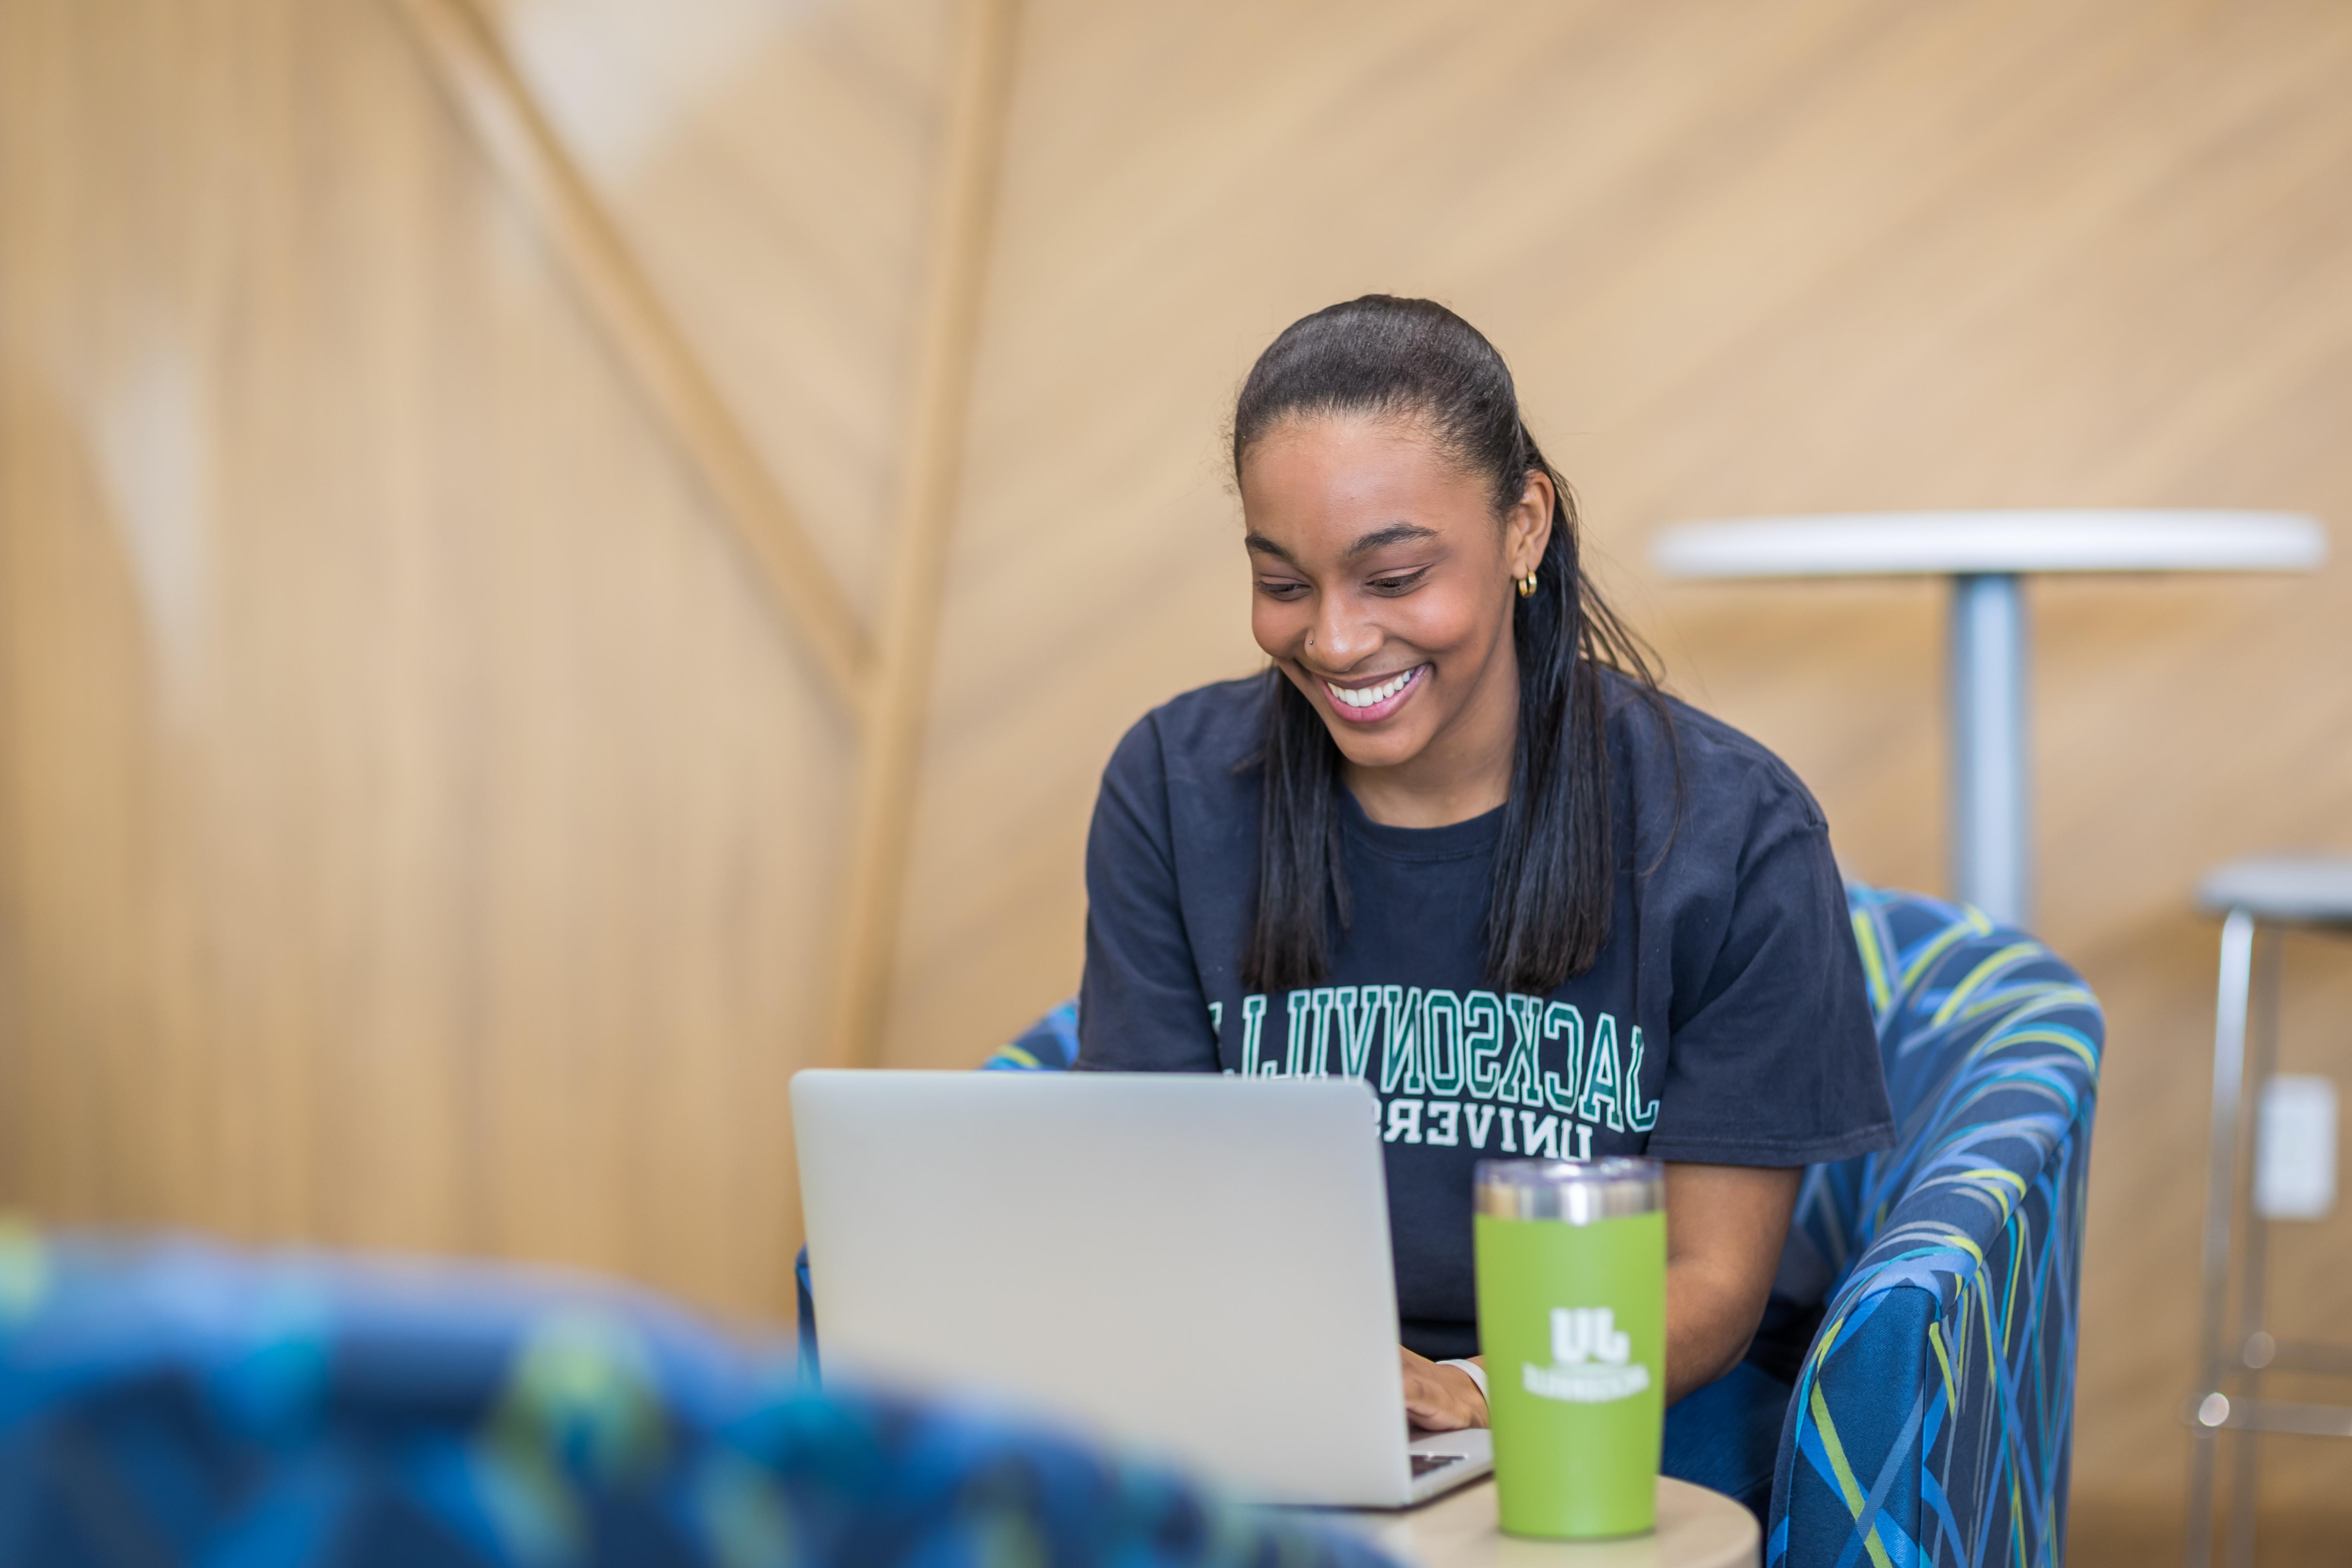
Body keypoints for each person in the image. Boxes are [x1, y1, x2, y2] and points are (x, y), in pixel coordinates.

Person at [1073, 296, 1894, 1521]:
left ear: (1523, 523)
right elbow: (1149, 1199)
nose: (1337, 640)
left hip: (1628, 1406)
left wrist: (1469, 1391)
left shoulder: (1729, 830)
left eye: (1394, 575)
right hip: (1280, 1408)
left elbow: (1709, 1281)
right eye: (1282, 582)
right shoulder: (1172, 789)